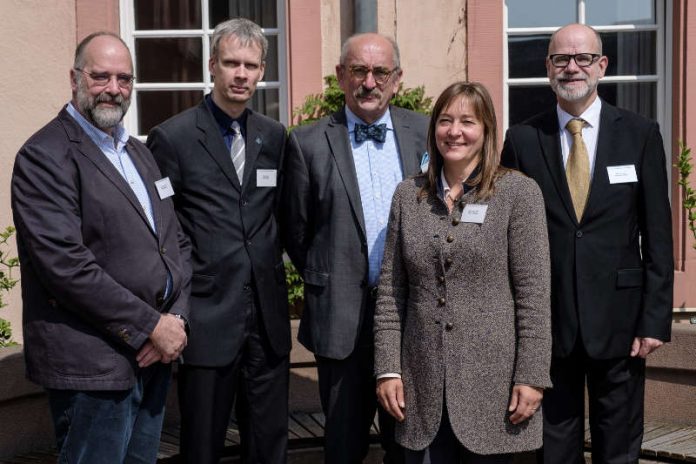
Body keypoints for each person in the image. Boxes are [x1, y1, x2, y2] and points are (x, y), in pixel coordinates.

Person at [10, 32, 191, 463]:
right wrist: (151, 324)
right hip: (92, 368)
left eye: (124, 78)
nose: (114, 88)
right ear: (74, 78)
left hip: (152, 359)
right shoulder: (45, 155)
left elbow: (176, 243)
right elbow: (65, 266)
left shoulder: (139, 153)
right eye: (101, 76)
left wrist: (177, 319)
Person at [501, 23, 674, 464]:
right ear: (547, 68)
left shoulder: (639, 133)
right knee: (554, 448)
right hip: (548, 323)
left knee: (619, 446)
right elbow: (507, 238)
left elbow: (657, 232)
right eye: (561, 59)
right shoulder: (522, 140)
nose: (572, 67)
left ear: (602, 65)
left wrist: (654, 319)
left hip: (621, 322)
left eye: (582, 58)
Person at [374, 81, 552, 464]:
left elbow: (534, 296)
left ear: (486, 130)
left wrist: (532, 375)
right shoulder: (408, 195)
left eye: (467, 121)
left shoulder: (517, 193)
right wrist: (387, 369)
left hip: (496, 387)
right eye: (445, 120)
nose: (454, 131)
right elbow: (391, 293)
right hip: (421, 388)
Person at [147, 18, 290, 464]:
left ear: (262, 70)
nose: (241, 74)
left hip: (267, 323)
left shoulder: (274, 137)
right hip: (207, 317)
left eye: (250, 65)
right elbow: (162, 231)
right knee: (202, 447)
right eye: (231, 63)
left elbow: (283, 216)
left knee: (269, 446)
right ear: (213, 65)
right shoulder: (172, 137)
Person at [281, 32, 428, 463]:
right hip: (341, 318)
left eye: (381, 71)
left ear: (397, 79)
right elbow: (296, 230)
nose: (370, 82)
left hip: (409, 316)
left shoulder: (423, 132)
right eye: (359, 71)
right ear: (341, 76)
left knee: (409, 444)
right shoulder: (307, 142)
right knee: (344, 446)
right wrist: (336, 273)